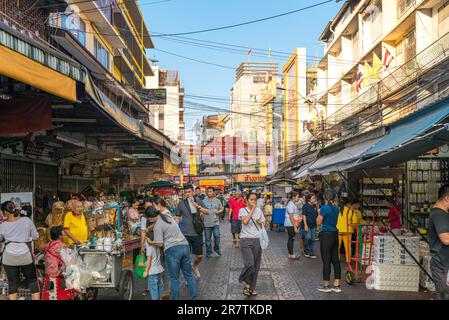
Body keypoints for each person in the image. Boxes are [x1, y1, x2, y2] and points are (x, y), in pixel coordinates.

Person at [145, 207, 198, 300]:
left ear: (150, 218)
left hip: (172, 250)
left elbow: (160, 243)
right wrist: (151, 226)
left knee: (174, 279)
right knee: (189, 275)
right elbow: (162, 223)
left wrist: (150, 242)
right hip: (184, 246)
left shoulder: (157, 226)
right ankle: (194, 298)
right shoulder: (167, 216)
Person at [0, 201, 40, 300]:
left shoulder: (3, 225)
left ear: (5, 212)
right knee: (32, 280)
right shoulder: (26, 220)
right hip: (25, 255)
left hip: (9, 257)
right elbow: (36, 237)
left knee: (12, 282)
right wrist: (26, 238)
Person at [176, 185, 211, 279]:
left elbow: (208, 212)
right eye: (186, 192)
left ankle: (194, 265)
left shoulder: (199, 201)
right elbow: (178, 217)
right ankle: (188, 277)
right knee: (185, 257)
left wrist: (198, 207)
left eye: (189, 192)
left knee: (199, 255)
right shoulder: (181, 203)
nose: (188, 194)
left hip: (197, 232)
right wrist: (175, 230)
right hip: (185, 233)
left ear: (193, 192)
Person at [238, 192, 265, 297]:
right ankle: (243, 279)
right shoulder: (242, 210)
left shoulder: (259, 210)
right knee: (250, 264)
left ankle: (250, 288)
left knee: (256, 266)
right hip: (245, 240)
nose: (254, 202)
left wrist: (260, 222)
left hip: (257, 240)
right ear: (247, 200)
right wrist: (253, 209)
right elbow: (245, 221)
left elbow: (264, 223)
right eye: (251, 200)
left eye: (255, 200)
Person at [41, 226, 77, 300]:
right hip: (59, 276)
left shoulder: (46, 246)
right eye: (63, 234)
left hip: (49, 276)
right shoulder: (62, 246)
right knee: (61, 296)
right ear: (60, 236)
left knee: (50, 296)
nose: (64, 235)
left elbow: (40, 247)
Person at [316, 189, 342, 293]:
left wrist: (318, 212)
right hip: (335, 234)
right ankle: (337, 285)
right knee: (336, 260)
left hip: (326, 235)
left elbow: (318, 222)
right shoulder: (337, 208)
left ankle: (326, 285)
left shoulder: (324, 208)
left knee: (326, 261)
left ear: (325, 198)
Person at [428, 184, 449, 300]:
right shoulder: (439, 214)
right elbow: (446, 239)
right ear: (447, 198)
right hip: (442, 266)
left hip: (444, 265)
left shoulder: (442, 214)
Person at [143, 228, 164, 300]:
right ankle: (160, 297)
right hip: (159, 269)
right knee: (159, 285)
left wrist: (146, 271)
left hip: (152, 271)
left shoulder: (149, 249)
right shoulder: (157, 247)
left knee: (153, 287)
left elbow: (149, 260)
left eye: (145, 239)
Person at [202, 187, 224, 258]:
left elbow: (221, 209)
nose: (209, 193)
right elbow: (201, 210)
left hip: (215, 222)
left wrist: (218, 211)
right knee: (207, 239)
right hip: (206, 223)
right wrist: (201, 214)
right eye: (208, 191)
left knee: (217, 236)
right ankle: (208, 252)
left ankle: (216, 249)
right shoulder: (204, 201)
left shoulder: (217, 201)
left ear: (214, 192)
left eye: (211, 191)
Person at [285, 192, 301, 260]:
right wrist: (294, 226)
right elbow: (291, 216)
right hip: (291, 224)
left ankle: (290, 253)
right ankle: (291, 254)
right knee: (291, 239)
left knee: (290, 238)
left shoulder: (292, 204)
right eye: (297, 196)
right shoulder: (291, 204)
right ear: (294, 197)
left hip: (291, 223)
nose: (298, 198)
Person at [302, 193, 318, 258]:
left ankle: (311, 251)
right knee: (308, 237)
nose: (314, 199)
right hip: (307, 225)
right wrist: (305, 225)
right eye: (313, 198)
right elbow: (304, 215)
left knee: (313, 238)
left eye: (315, 198)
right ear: (309, 199)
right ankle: (306, 250)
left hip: (313, 225)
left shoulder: (314, 206)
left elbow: (316, 216)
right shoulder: (305, 206)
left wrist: (317, 225)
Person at [297, 190, 310, 254]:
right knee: (301, 235)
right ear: (304, 196)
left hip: (307, 220)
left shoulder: (307, 202)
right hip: (301, 220)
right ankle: (302, 248)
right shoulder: (299, 202)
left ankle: (305, 248)